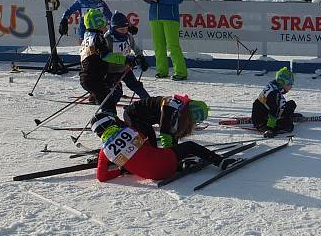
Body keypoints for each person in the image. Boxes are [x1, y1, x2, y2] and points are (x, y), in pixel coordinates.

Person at [90, 113, 228, 183]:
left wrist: (120, 171)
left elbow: (101, 177)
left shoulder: (105, 152)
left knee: (148, 162)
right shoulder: (129, 130)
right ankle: (221, 162)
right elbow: (148, 145)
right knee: (189, 146)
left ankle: (181, 165)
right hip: (166, 163)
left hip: (153, 176)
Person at [79, 9, 137, 113]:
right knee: (108, 103)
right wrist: (125, 59)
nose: (106, 28)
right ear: (97, 26)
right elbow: (106, 56)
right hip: (93, 79)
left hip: (90, 77)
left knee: (115, 92)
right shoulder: (98, 38)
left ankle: (109, 117)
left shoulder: (87, 36)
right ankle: (109, 122)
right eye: (104, 25)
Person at [146, 0, 186, 80]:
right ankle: (162, 70)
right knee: (158, 46)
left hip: (170, 16)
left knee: (172, 45)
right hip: (154, 16)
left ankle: (180, 72)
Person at [123, 94, 209, 148]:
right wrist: (170, 153)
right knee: (149, 139)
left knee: (151, 137)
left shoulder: (181, 108)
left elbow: (173, 132)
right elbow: (165, 132)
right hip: (132, 115)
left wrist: (175, 148)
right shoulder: (171, 108)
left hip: (145, 118)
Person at [105, 12, 150, 100]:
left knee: (135, 85)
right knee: (114, 91)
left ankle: (148, 100)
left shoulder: (128, 36)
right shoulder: (107, 38)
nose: (124, 31)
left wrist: (141, 58)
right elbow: (104, 55)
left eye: (126, 28)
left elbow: (136, 48)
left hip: (125, 68)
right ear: (114, 28)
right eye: (121, 29)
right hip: (111, 71)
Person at [252, 67, 299, 137]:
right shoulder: (275, 94)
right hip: (262, 122)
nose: (291, 87)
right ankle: (281, 120)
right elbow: (274, 111)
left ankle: (286, 116)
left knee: (292, 104)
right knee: (289, 127)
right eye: (289, 84)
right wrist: (269, 129)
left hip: (261, 113)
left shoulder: (273, 85)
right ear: (282, 83)